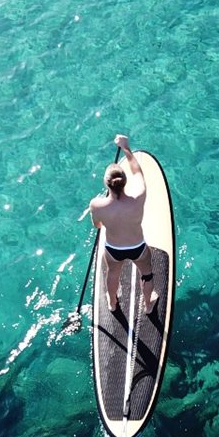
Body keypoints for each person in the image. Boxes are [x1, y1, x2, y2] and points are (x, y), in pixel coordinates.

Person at [88, 134, 159, 313]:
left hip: (114, 249)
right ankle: (149, 306)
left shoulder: (96, 205)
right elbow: (138, 172)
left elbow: (97, 226)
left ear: (107, 185)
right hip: (138, 247)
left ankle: (112, 303)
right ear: (124, 182)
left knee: (112, 274)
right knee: (147, 274)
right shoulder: (139, 197)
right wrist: (126, 148)